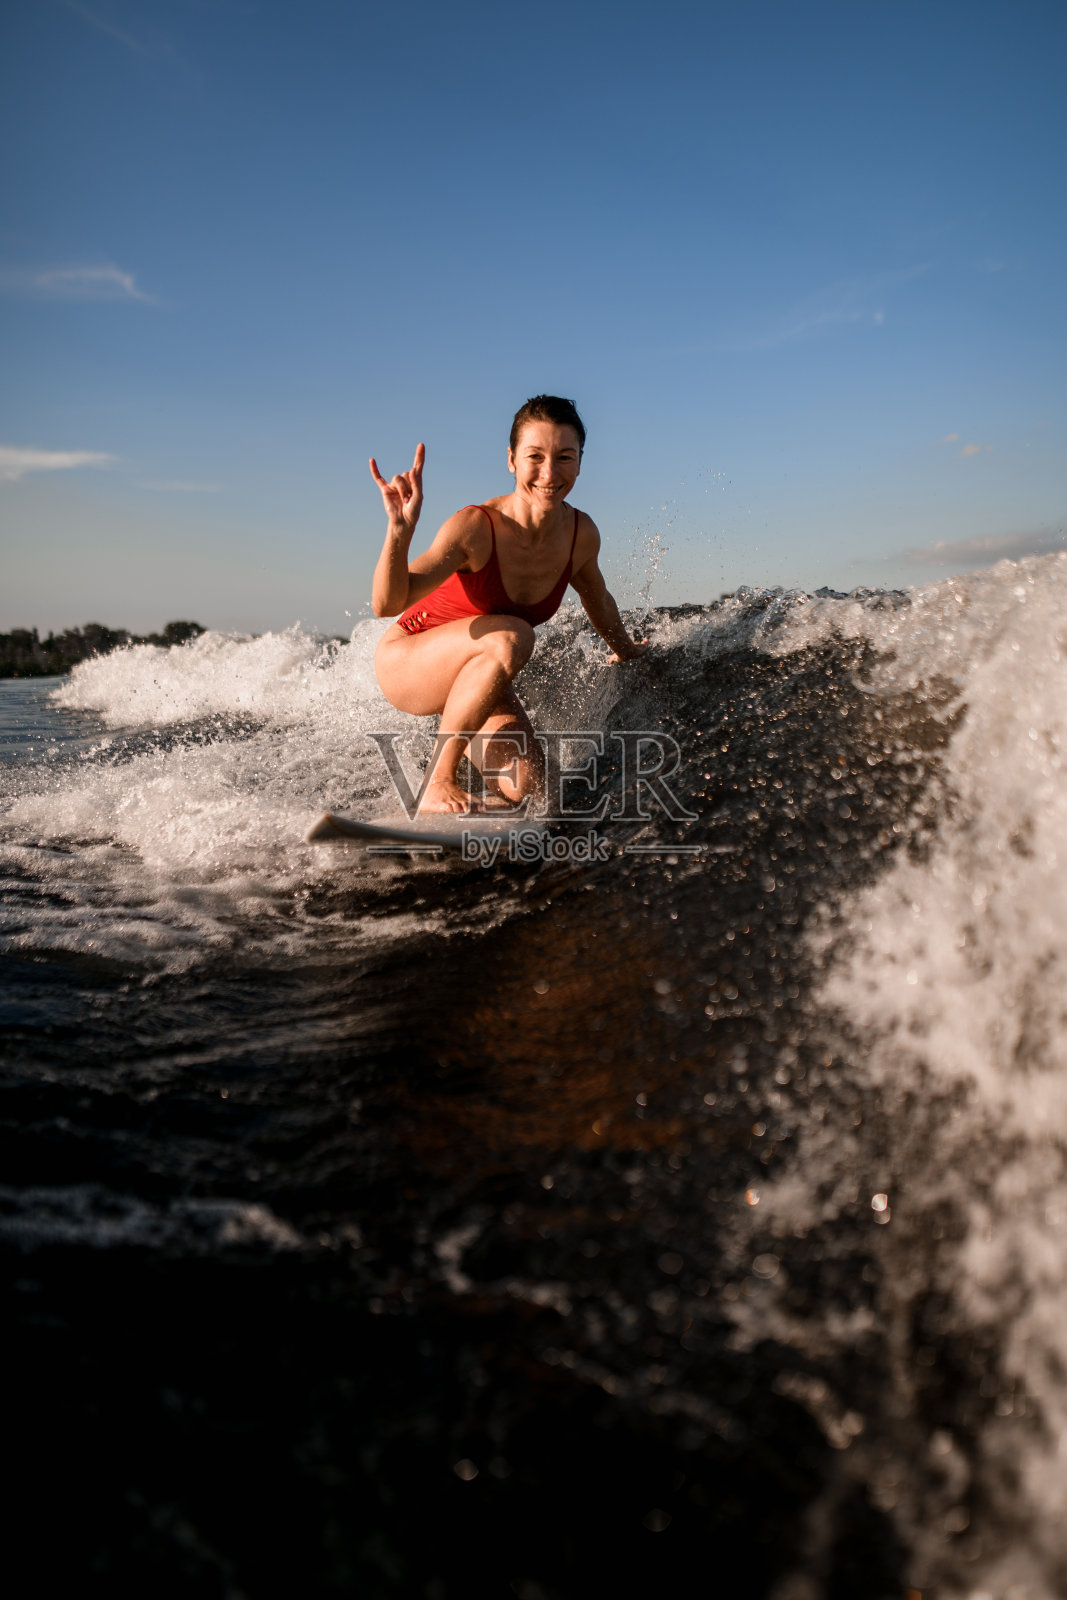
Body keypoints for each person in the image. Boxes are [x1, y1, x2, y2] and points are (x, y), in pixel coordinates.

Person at [370, 395, 648, 813]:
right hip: (409, 661)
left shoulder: (580, 536)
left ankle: (473, 784)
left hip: (478, 679)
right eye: (534, 456)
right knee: (512, 636)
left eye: (565, 457)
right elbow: (386, 604)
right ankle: (438, 780)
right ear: (511, 459)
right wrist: (398, 532)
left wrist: (628, 653)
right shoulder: (476, 528)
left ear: (580, 462)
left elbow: (600, 600)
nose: (549, 473)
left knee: (541, 794)